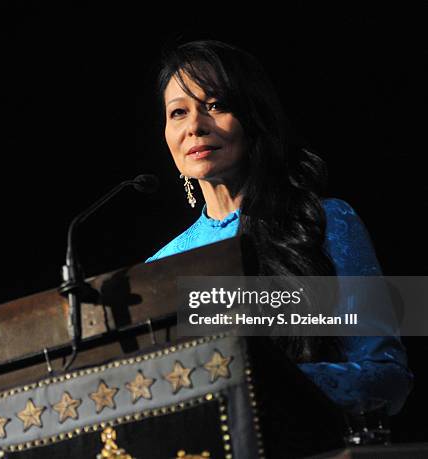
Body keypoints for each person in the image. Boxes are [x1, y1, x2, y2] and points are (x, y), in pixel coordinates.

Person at [145, 40, 413, 416]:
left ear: (254, 119)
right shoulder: (159, 267)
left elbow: (385, 377)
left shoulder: (323, 222)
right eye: (178, 112)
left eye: (216, 106)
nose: (194, 127)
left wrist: (259, 382)